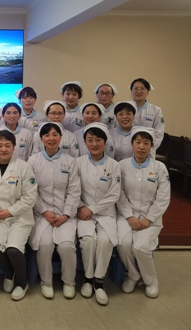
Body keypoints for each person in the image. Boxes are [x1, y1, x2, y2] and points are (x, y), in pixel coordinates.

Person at [27, 122, 80, 300]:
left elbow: (74, 191)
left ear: (61, 137)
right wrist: (45, 211)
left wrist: (66, 214)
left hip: (65, 215)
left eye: (55, 134)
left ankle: (69, 281)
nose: (51, 138)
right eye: (47, 135)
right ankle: (46, 281)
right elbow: (31, 191)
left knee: (66, 246)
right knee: (45, 245)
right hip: (42, 214)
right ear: (41, 138)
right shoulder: (33, 161)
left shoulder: (70, 161)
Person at [117, 127, 170, 299]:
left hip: (150, 217)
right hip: (127, 215)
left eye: (146, 143)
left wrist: (149, 218)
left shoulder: (159, 168)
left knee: (140, 247)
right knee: (123, 244)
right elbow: (119, 193)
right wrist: (129, 216)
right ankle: (133, 275)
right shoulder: (122, 166)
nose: (141, 147)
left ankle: (150, 280)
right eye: (138, 142)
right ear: (132, 144)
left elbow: (163, 197)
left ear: (151, 146)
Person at [0, 130, 37, 301]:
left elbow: (30, 197)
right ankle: (9, 272)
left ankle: (22, 283)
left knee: (13, 250)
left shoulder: (23, 167)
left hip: (19, 218)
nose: (3, 149)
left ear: (14, 147)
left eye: (7, 145)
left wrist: (10, 211)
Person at [75, 123, 121, 306]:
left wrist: (92, 209)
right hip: (82, 211)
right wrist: (82, 207)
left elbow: (114, 194)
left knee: (105, 241)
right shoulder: (78, 163)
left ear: (105, 142)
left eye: (98, 140)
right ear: (85, 142)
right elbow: (73, 189)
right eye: (90, 140)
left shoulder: (114, 165)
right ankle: (88, 278)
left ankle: (99, 281)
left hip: (106, 213)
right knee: (88, 240)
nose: (94, 144)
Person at [130, 78, 165, 149]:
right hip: (127, 148)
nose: (139, 91)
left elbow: (159, 133)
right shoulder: (124, 108)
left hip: (147, 150)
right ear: (131, 91)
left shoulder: (156, 110)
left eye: (142, 89)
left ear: (147, 92)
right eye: (135, 88)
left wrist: (148, 149)